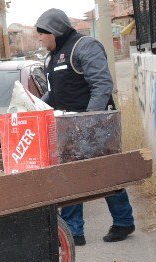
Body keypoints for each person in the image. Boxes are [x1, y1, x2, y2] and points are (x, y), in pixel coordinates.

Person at [36, 8, 135, 246]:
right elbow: (57, 90)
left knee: (105, 174)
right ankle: (73, 233)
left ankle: (123, 222)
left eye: (42, 34)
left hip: (96, 126)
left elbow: (102, 85)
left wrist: (90, 120)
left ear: (54, 31)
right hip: (68, 127)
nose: (40, 39)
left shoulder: (84, 46)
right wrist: (37, 106)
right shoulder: (53, 55)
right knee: (70, 179)